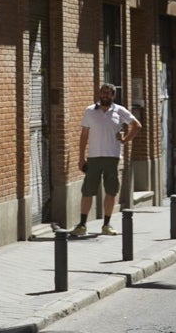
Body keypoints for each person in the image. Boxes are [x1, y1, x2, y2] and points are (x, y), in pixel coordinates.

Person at [71, 82, 141, 237]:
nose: (105, 95)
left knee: (111, 191)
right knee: (87, 191)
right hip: (93, 157)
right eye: (103, 92)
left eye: (108, 93)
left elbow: (137, 125)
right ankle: (82, 225)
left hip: (112, 157)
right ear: (99, 94)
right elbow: (84, 135)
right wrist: (81, 158)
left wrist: (125, 140)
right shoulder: (90, 111)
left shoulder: (120, 111)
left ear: (113, 95)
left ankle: (106, 225)